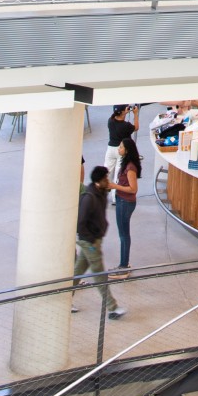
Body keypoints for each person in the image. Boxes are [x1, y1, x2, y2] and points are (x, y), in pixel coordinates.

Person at [73, 166, 125, 318]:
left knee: (78, 272)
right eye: (105, 179)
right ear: (98, 181)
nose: (107, 181)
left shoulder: (100, 193)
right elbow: (81, 223)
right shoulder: (89, 198)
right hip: (90, 243)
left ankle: (62, 300)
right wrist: (89, 242)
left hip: (94, 240)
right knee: (100, 275)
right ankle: (112, 308)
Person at [114, 134, 141, 272]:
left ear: (127, 150)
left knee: (124, 234)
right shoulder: (126, 163)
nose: (119, 149)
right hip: (121, 200)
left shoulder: (130, 167)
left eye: (121, 147)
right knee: (123, 233)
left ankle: (124, 264)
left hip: (125, 202)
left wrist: (115, 186)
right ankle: (123, 263)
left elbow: (133, 189)